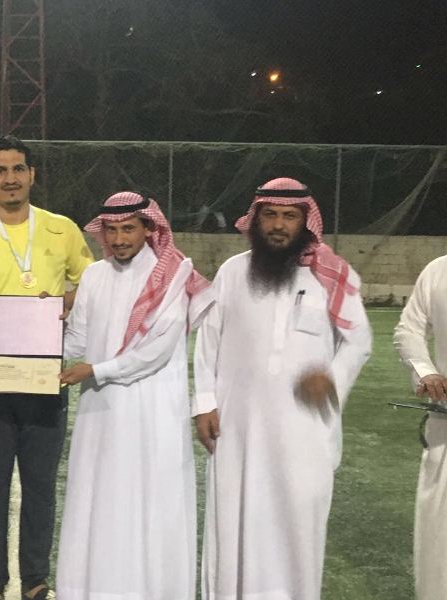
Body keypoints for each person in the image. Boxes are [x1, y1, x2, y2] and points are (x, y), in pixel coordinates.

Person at [194, 177, 372, 600]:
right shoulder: (233, 272)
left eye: (289, 216)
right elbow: (208, 341)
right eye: (270, 215)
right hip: (238, 429)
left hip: (304, 431)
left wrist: (331, 378)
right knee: (235, 522)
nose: (278, 225)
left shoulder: (332, 276)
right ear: (255, 220)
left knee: (297, 526)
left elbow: (360, 341)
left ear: (305, 222)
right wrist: (204, 403)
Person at [0, 135, 94, 600]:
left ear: (32, 175)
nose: (11, 178)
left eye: (18, 169)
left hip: (44, 381)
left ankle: (35, 581)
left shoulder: (62, 229)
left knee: (41, 489)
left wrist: (63, 301)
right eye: (1, 171)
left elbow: (90, 286)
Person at [56, 191, 213, 600]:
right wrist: (42, 324)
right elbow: (76, 341)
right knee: (101, 502)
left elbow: (156, 352)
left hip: (153, 412)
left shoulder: (173, 274)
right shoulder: (94, 276)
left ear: (148, 228)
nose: (119, 238)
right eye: (112, 230)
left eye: (128, 229)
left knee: (149, 502)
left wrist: (97, 370)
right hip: (100, 414)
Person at [393, 256, 447, 600]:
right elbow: (409, 329)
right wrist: (426, 371)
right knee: (440, 537)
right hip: (445, 430)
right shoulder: (439, 271)